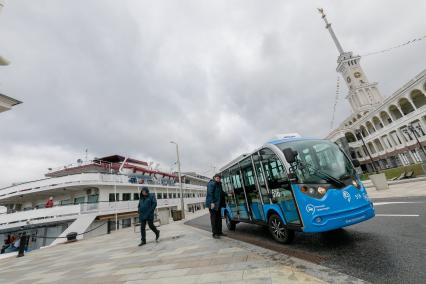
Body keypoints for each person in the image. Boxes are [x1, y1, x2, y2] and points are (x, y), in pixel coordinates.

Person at [206, 174, 226, 239]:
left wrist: (227, 194)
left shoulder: (219, 184)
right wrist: (212, 202)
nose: (218, 179)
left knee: (219, 219)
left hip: (218, 204)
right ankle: (214, 233)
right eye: (217, 178)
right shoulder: (211, 183)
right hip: (213, 204)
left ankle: (219, 232)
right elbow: (210, 193)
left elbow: (221, 192)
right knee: (214, 219)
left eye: (219, 178)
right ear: (214, 178)